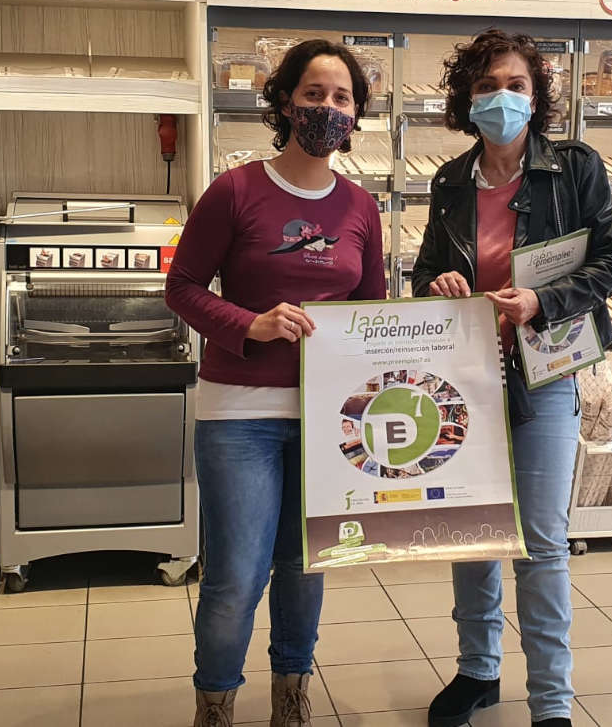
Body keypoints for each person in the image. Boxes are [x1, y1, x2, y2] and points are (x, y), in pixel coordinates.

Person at [410, 29, 612, 727]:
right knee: (472, 532)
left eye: (515, 86)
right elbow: (424, 273)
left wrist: (544, 300)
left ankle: (551, 704)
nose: (501, 98)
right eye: (487, 87)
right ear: (466, 100)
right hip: (467, 380)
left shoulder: (574, 168)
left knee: (540, 545)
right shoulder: (450, 181)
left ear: (536, 99)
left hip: (546, 376)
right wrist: (438, 284)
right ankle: (478, 670)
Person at [164, 38, 387, 727]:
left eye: (342, 98)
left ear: (356, 114)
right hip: (239, 413)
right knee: (236, 575)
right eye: (314, 93)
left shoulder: (361, 207)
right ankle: (215, 704)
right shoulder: (235, 191)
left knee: (303, 564)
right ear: (286, 102)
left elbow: (371, 311)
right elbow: (181, 287)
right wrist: (249, 324)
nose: (328, 108)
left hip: (327, 417)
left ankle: (291, 694)